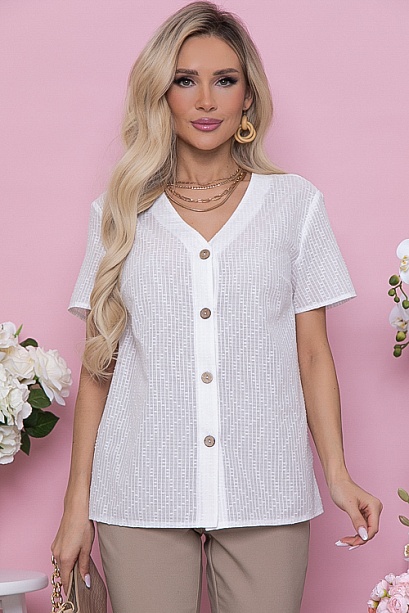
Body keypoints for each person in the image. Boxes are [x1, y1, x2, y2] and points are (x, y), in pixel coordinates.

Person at [51, 3, 382, 612]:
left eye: (224, 80)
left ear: (248, 96)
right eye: (185, 80)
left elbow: (313, 354)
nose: (206, 100)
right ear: (161, 93)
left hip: (266, 485)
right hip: (140, 489)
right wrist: (77, 508)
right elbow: (100, 368)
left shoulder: (295, 206)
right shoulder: (118, 213)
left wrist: (337, 473)